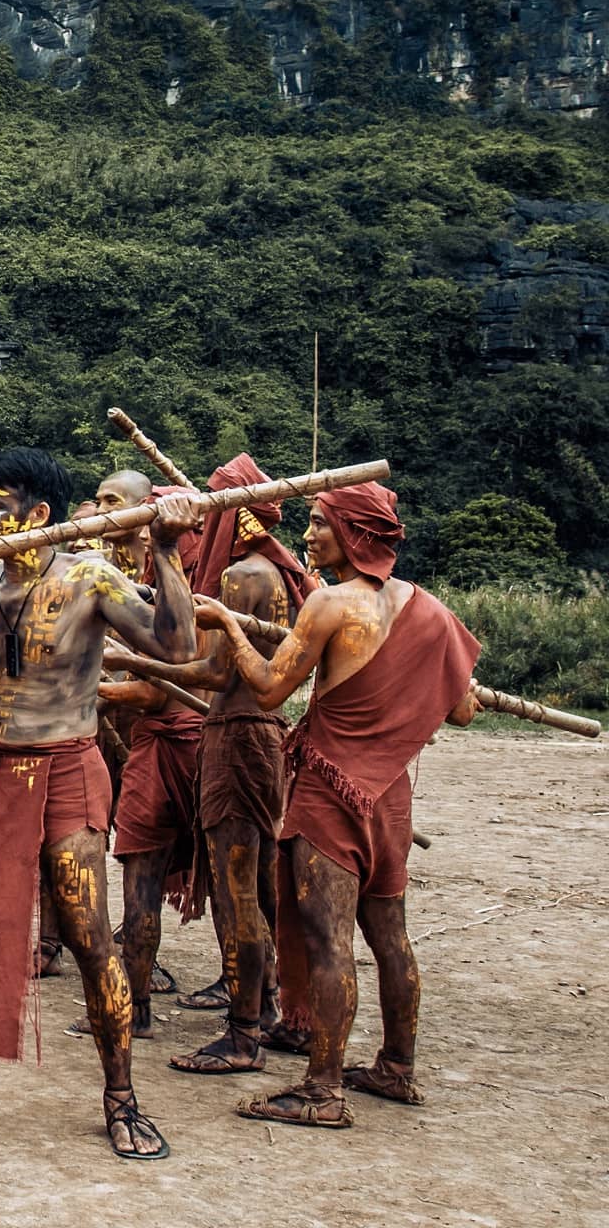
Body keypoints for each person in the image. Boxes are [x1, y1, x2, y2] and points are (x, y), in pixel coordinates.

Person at [0, 446, 199, 1161]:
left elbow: (176, 647)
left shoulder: (91, 578)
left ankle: (121, 1099)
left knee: (88, 936)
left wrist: (168, 551)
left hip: (65, 773)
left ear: (39, 515)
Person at [199, 481, 480, 1129]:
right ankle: (396, 1068)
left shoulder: (329, 605)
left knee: (329, 940)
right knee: (391, 937)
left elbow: (269, 689)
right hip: (390, 798)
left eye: (320, 524)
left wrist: (227, 624)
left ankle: (322, 1090)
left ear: (352, 533)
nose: (307, 537)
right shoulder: (432, 611)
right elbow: (462, 710)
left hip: (331, 793)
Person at [154, 553, 294, 1077]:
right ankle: (270, 1006)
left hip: (238, 738)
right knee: (258, 887)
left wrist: (134, 662)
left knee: (236, 895)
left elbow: (216, 671)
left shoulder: (241, 577)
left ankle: (243, 1034)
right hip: (262, 735)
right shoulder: (276, 577)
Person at [91, 469, 207, 1039]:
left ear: (144, 517)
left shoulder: (170, 577)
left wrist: (92, 685)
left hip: (174, 746)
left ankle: (132, 1007)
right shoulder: (133, 576)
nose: (101, 510)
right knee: (142, 879)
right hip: (156, 742)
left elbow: (165, 683)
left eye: (113, 503)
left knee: (142, 878)